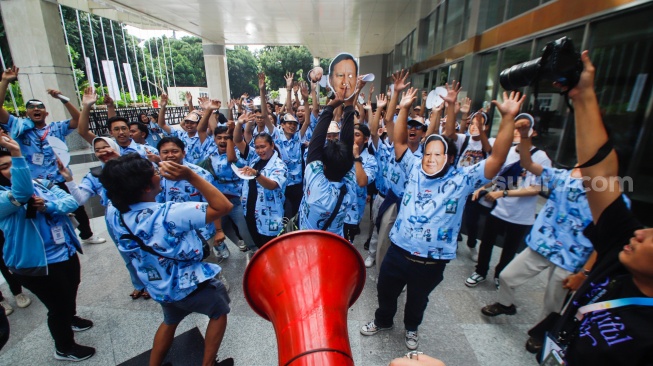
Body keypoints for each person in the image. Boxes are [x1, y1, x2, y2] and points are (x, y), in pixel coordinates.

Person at [360, 86, 525, 351]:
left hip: (430, 262)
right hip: (398, 252)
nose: (431, 159)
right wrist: (402, 106)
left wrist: (507, 119)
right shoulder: (413, 168)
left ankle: (411, 328)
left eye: (438, 154)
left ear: (448, 158)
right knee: (386, 292)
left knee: (417, 300)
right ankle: (383, 320)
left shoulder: (461, 179)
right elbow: (400, 141)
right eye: (427, 153)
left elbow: (496, 159)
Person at [536, 51, 652, 366]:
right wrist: (583, 96)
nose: (640, 233)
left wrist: (584, 272)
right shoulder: (621, 252)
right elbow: (599, 175)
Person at [101, 154, 234, 366]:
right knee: (219, 311)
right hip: (189, 284)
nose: (158, 174)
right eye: (154, 173)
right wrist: (190, 175)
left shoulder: (113, 211)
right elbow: (223, 207)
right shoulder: (167, 214)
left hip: (157, 284)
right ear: (146, 187)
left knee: (170, 320)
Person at [479, 121, 598, 354]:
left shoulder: (605, 195)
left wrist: (584, 273)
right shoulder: (562, 177)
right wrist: (524, 136)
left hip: (571, 258)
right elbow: (527, 163)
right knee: (507, 276)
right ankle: (505, 304)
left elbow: (607, 241)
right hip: (542, 244)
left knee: (553, 300)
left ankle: (542, 332)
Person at [0, 132, 95, 362]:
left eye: (14, 164)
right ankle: (64, 347)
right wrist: (17, 154)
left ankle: (71, 317)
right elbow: (21, 194)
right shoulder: (4, 198)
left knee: (72, 287)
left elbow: (71, 201)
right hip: (35, 263)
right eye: (5, 166)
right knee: (57, 306)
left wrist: (49, 206)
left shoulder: (40, 183)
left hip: (65, 251)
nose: (11, 168)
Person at [0, 70, 104, 245]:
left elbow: (79, 120)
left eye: (40, 107)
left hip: (59, 176)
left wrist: (64, 99)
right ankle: (43, 242)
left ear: (46, 113)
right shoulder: (18, 127)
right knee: (37, 210)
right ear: (27, 113)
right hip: (34, 181)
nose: (36, 109)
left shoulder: (56, 128)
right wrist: (4, 82)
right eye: (32, 107)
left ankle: (87, 235)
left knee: (76, 206)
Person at [465, 114, 551, 289]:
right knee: (486, 243)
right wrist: (482, 187)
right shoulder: (508, 152)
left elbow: (536, 188)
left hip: (520, 215)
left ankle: (499, 276)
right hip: (498, 210)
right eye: (516, 127)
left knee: (509, 250)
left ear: (532, 132)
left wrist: (503, 193)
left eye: (524, 128)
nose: (518, 132)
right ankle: (480, 271)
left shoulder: (541, 158)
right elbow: (497, 176)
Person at [60, 136, 151, 300]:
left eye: (105, 147)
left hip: (139, 216)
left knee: (145, 251)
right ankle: (138, 284)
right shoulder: (95, 175)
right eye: (98, 149)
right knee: (127, 254)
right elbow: (79, 200)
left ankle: (153, 283)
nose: (103, 152)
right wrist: (69, 179)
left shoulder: (131, 166)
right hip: (114, 221)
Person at [299, 52, 361, 237]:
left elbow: (315, 145)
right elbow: (343, 145)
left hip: (307, 242)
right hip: (333, 244)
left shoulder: (316, 185)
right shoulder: (348, 188)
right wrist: (348, 105)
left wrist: (335, 106)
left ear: (323, 165)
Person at [232, 127, 287, 247]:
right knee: (258, 244)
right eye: (257, 147)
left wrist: (256, 174)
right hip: (251, 212)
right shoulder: (254, 158)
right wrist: (240, 123)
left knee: (271, 248)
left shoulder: (279, 165)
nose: (260, 150)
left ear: (272, 145)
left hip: (269, 216)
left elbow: (272, 185)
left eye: (263, 147)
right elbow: (237, 140)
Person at [158, 93, 214, 164]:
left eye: (192, 123)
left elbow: (212, 128)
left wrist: (208, 110)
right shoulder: (180, 134)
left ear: (198, 124)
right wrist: (163, 107)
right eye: (187, 122)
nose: (189, 125)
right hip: (182, 168)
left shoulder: (203, 135)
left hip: (199, 170)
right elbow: (161, 124)